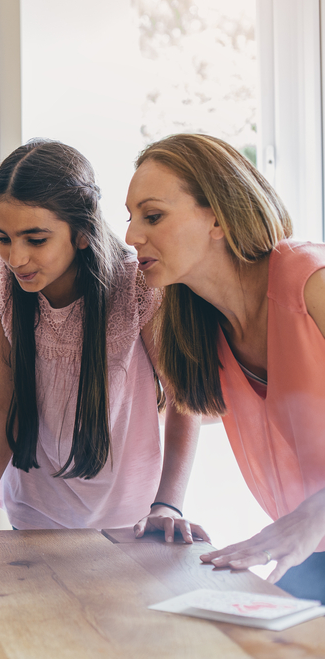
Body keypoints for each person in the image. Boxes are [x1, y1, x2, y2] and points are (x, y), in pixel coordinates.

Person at [0, 140, 206, 540]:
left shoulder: (136, 285)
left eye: (36, 239)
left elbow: (182, 400)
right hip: (32, 509)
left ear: (82, 233)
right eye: (3, 237)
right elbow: (3, 405)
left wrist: (168, 503)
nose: (15, 258)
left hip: (131, 513)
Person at [125, 132, 325, 600]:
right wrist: (167, 505)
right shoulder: (198, 328)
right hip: (310, 554)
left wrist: (313, 515)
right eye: (131, 218)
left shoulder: (310, 282)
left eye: (152, 216)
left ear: (217, 217)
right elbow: (188, 411)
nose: (132, 236)